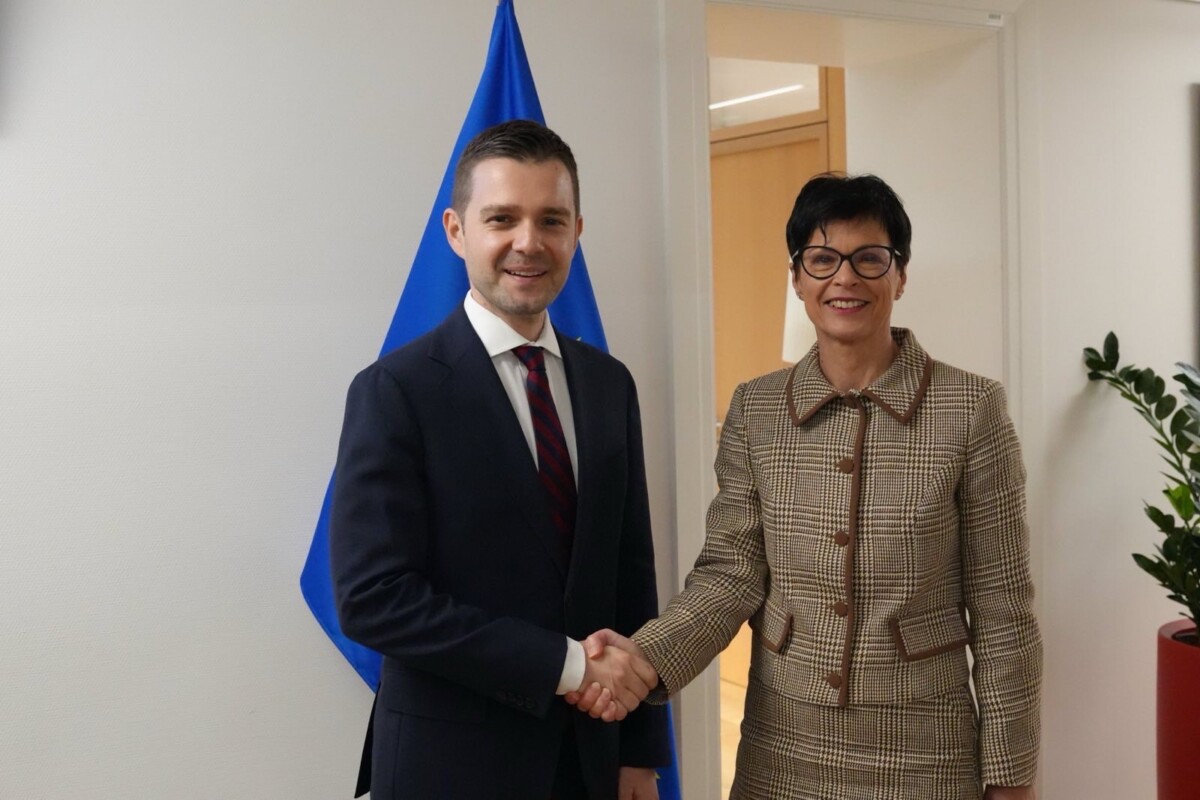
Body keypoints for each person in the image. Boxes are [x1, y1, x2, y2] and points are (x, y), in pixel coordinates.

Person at [572, 174, 1042, 800]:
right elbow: (730, 576)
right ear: (797, 278)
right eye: (822, 259)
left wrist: (1011, 778)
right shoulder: (756, 409)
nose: (845, 278)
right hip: (782, 750)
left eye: (869, 258)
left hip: (927, 752)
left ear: (900, 275)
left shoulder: (971, 408)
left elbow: (1002, 609)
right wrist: (643, 659)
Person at [330, 119, 669, 800]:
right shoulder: (395, 391)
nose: (529, 242)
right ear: (457, 231)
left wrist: (640, 752)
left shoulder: (610, 385)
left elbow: (630, 578)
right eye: (502, 218)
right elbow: (374, 599)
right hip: (448, 766)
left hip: (590, 763)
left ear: (577, 231)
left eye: (552, 220)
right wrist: (567, 666)